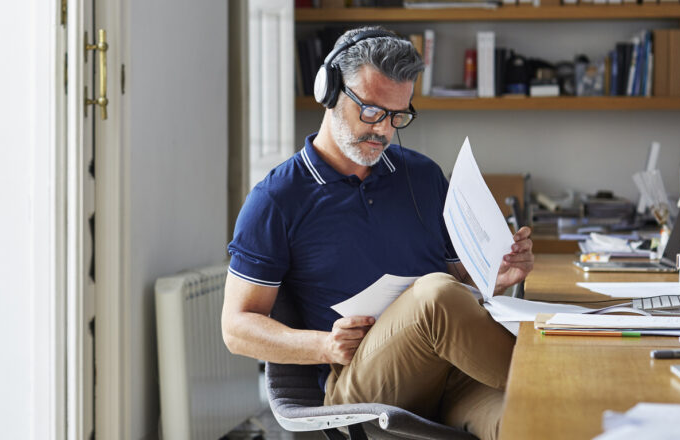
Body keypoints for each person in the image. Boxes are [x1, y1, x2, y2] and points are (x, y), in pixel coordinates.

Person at [221, 26, 534, 439]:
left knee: (533, 422)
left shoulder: (422, 176)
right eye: (371, 111)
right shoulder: (276, 199)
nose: (384, 130)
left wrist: (497, 274)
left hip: (453, 376)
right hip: (363, 384)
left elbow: (463, 281)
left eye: (398, 115)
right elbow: (236, 328)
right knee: (434, 295)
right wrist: (323, 345)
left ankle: (562, 391)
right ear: (330, 91)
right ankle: (553, 375)